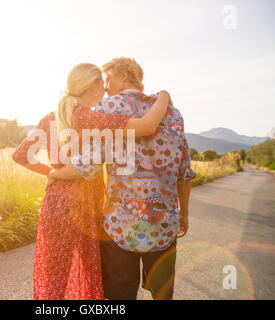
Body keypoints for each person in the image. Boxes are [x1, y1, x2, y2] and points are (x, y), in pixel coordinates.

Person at [11, 62, 171, 300]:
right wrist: (164, 96)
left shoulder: (50, 118)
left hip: (55, 205)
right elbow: (148, 126)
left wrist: (54, 174)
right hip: (86, 207)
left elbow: (20, 155)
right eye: (103, 85)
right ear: (94, 85)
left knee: (55, 278)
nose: (106, 91)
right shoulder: (92, 118)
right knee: (89, 276)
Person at [48, 57, 196, 300]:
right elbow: (184, 172)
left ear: (124, 75)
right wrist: (184, 213)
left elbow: (89, 163)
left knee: (119, 298)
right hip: (163, 224)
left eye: (108, 79)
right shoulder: (172, 112)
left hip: (118, 226)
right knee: (162, 294)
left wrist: (55, 174)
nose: (105, 87)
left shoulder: (108, 107)